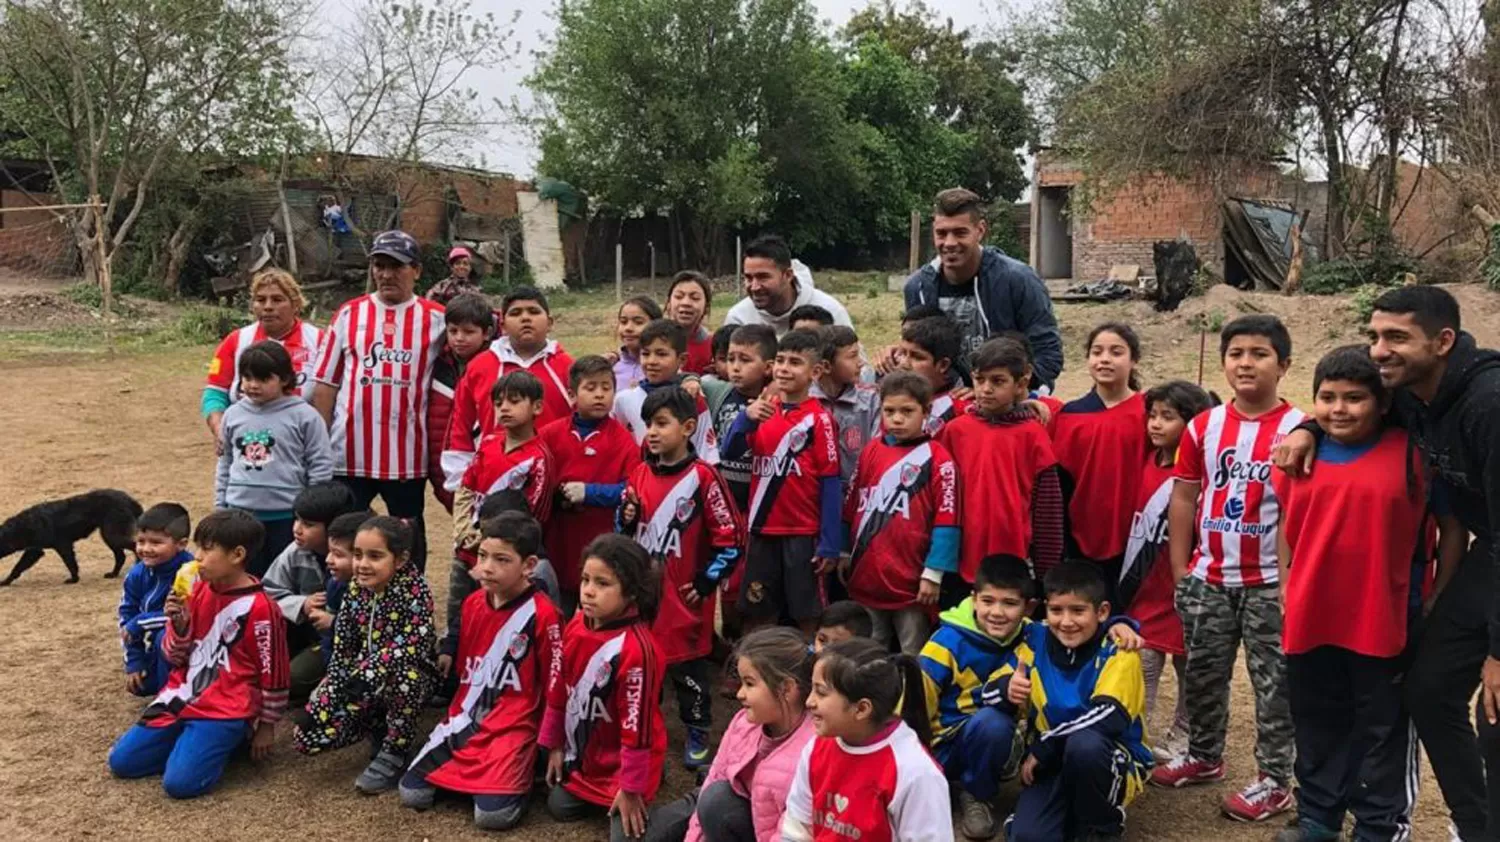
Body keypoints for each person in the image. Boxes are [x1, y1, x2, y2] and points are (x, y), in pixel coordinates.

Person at [1274, 286, 1500, 841]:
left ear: (1443, 341)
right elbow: (1341, 402)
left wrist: (1497, 651)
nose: (1379, 350)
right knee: (1427, 691)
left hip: (1481, 561)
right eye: (1375, 335)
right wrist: (1304, 429)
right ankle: (1478, 828)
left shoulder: (1488, 404)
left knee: (1487, 715)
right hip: (1482, 556)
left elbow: (1455, 529)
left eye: (1395, 337)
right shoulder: (1410, 392)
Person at [1272, 346, 1448, 842]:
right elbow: (1289, 523)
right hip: (1311, 615)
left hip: (1384, 616)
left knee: (1382, 730)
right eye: (1327, 398)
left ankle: (1379, 824)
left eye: (1354, 398)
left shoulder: (1415, 455)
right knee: (1317, 721)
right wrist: (1288, 585)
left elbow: (1451, 529)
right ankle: (1318, 818)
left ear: (1383, 403)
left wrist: (1439, 596)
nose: (1339, 409)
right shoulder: (1297, 454)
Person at [1151, 315, 1304, 823]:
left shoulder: (1300, 428)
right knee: (1202, 673)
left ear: (1283, 364)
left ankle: (1275, 779)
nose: (1245, 363)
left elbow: (1300, 509)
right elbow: (1185, 494)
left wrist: (1289, 581)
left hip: (1267, 585)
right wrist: (1180, 568)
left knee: (1274, 685)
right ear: (1223, 362)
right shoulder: (1203, 426)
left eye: (1259, 353)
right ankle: (1203, 755)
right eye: (1236, 353)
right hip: (1208, 578)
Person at [400, 511, 565, 831]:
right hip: (465, 718)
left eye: (502, 560)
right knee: (412, 794)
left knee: (492, 817)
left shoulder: (546, 615)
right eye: (483, 556)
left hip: (514, 725)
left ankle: (523, 775)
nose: (487, 567)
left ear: (529, 566)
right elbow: (465, 669)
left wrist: (551, 741)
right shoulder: (472, 603)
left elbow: (556, 685)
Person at [107, 509, 288, 799]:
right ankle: (194, 744)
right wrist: (178, 626)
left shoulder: (262, 608)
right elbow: (174, 656)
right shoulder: (197, 589)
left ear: (237, 554)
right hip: (182, 692)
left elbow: (274, 672)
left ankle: (231, 739)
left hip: (227, 705)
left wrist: (267, 726)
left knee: (179, 785)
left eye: (207, 549)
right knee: (122, 763)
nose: (197, 557)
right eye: (198, 547)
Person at [619, 387, 745, 769]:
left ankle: (697, 728)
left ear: (688, 427)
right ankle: (645, 725)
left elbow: (732, 539)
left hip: (685, 599)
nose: (651, 433)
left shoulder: (704, 477)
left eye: (661, 424)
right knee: (643, 663)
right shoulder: (639, 473)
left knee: (688, 669)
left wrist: (707, 582)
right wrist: (623, 519)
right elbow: (624, 534)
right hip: (644, 596)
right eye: (647, 425)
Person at [311, 229, 446, 574]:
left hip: (406, 457)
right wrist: (320, 445)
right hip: (348, 454)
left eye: (396, 266)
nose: (386, 274)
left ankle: (410, 599)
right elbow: (325, 383)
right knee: (344, 535)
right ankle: (346, 602)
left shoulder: (436, 319)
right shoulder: (349, 314)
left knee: (408, 534)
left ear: (416, 270)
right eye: (379, 265)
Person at [1001, 562, 1151, 842]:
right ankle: (1052, 811)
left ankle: (1101, 824)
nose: (1066, 621)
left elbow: (1109, 716)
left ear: (1102, 612)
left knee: (1085, 745)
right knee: (1028, 837)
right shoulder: (1034, 640)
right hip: (1051, 762)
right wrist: (1006, 687)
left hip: (1105, 755)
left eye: (1078, 610)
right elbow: (994, 685)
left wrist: (1047, 746)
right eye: (1056, 610)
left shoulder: (1119, 651)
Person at [293, 516, 438, 793]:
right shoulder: (354, 592)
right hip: (360, 685)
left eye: (375, 556)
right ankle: (373, 725)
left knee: (403, 679)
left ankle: (395, 751)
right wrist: (320, 705)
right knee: (307, 738)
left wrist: (369, 671)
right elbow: (343, 651)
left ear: (400, 559)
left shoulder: (415, 590)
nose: (362, 564)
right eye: (358, 555)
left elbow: (415, 644)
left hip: (408, 679)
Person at [540, 534, 668, 842]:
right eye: (585, 579)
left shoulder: (638, 650)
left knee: (625, 835)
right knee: (558, 805)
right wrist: (555, 745)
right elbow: (558, 687)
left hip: (622, 762)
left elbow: (635, 727)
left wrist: (632, 787)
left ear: (633, 593)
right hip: (585, 759)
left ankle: (659, 787)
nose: (588, 591)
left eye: (603, 583)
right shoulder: (575, 625)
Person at [641, 627, 818, 842]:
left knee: (717, 801)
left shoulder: (812, 752)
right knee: (630, 832)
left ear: (786, 689)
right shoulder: (743, 723)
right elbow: (714, 780)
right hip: (747, 821)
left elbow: (794, 833)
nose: (739, 693)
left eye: (750, 684)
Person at [1117, 380, 1214, 763]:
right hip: (1144, 584)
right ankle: (1133, 732)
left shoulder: (1199, 473)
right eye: (1152, 416)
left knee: (1189, 663)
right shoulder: (1147, 459)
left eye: (1168, 417)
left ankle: (1185, 733)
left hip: (1184, 585)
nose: (1155, 425)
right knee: (1143, 661)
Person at [724, 328, 843, 638]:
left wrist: (831, 541)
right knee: (757, 610)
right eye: (779, 360)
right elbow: (729, 453)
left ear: (815, 372)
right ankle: (750, 671)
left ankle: (811, 675)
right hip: (762, 529)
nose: (784, 369)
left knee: (807, 615)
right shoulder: (761, 410)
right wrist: (744, 420)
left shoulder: (820, 420)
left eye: (795, 362)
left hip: (802, 533)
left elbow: (831, 482)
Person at [780, 638, 953, 842]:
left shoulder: (915, 772)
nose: (809, 702)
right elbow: (797, 827)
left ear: (861, 709)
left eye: (821, 692)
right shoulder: (817, 747)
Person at [919, 554, 1036, 839]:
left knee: (992, 723)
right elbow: (917, 706)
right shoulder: (944, 642)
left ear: (1028, 606)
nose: (997, 612)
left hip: (989, 736)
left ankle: (976, 794)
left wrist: (1121, 626)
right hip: (939, 743)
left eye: (1009, 603)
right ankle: (934, 781)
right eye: (988, 601)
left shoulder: (1034, 639)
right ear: (974, 599)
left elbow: (1084, 631)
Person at [843, 372, 960, 654]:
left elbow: (948, 519)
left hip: (911, 580)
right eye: (889, 411)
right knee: (868, 648)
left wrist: (933, 574)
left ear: (926, 411)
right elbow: (852, 502)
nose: (896, 419)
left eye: (907, 411)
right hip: (867, 572)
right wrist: (844, 553)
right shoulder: (871, 450)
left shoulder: (938, 458)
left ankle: (912, 699)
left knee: (912, 650)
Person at [902, 187, 1063, 391]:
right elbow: (919, 353)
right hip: (946, 403)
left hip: (1006, 405)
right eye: (941, 233)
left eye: (960, 233)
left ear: (980, 230)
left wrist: (1013, 395)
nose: (949, 243)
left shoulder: (1018, 280)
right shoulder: (918, 287)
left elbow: (1047, 354)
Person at [936, 336, 1063, 593]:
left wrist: (1046, 571)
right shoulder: (954, 431)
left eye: (998, 381)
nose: (985, 389)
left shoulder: (1033, 435)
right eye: (979, 379)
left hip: (1014, 561)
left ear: (1021, 383)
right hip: (959, 559)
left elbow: (1047, 508)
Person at [216, 340, 335, 578]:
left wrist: (310, 511)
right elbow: (226, 462)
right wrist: (221, 505)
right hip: (241, 514)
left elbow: (320, 464)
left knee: (284, 575)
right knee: (244, 575)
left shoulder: (305, 416)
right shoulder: (233, 414)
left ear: (284, 378)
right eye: (247, 378)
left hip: (286, 516)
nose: (253, 385)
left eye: (262, 379)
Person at [444, 286, 575, 494]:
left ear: (549, 323)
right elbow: (461, 424)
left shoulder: (568, 368)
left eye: (533, 312)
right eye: (515, 313)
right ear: (503, 325)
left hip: (554, 483)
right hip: (493, 482)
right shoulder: (479, 367)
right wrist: (460, 481)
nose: (525, 318)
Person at [1050, 323, 1148, 595]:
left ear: (1134, 360)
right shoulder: (1070, 415)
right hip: (1083, 528)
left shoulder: (1150, 412)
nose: (1105, 359)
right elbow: (1061, 481)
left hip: (1138, 529)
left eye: (1116, 352)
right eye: (1097, 352)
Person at [540, 355, 642, 611]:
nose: (599, 395)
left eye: (606, 388)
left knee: (598, 613)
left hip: (601, 543)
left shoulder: (622, 440)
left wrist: (589, 492)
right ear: (572, 394)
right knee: (556, 610)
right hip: (557, 544)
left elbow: (632, 490)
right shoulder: (550, 434)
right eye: (591, 387)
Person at [452, 371, 555, 611]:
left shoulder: (538, 459)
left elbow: (532, 516)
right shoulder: (488, 442)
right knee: (459, 609)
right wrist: (463, 530)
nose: (504, 409)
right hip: (466, 547)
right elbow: (466, 488)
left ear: (537, 407)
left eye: (514, 401)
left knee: (494, 608)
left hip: (502, 555)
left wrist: (489, 542)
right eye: (498, 403)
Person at [202, 268, 322, 448]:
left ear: (296, 304)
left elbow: (332, 396)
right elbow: (214, 393)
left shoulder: (320, 342)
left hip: (299, 446)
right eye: (260, 300)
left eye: (277, 299)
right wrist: (220, 430)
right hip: (247, 445)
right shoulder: (235, 341)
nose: (267, 306)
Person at [261, 482, 360, 700]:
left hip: (355, 644)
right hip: (313, 636)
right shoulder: (296, 551)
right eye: (296, 519)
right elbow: (266, 593)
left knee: (294, 680)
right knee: (277, 676)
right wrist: (301, 604)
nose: (297, 528)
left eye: (308, 524)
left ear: (334, 526)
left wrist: (334, 621)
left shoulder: (363, 557)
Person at [612, 319, 720, 463]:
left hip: (685, 481)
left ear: (682, 360)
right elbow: (615, 443)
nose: (651, 361)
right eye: (645, 354)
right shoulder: (624, 400)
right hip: (640, 480)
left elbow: (707, 455)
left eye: (661, 354)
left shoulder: (692, 399)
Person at [427, 292, 496, 512]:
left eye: (469, 332)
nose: (459, 338)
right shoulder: (437, 364)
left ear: (487, 334)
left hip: (482, 465)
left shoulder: (496, 367)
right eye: (453, 331)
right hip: (441, 463)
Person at [118, 503, 193, 697]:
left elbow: (189, 618)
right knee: (142, 685)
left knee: (164, 637)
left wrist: (140, 623)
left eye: (156, 542)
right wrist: (134, 662)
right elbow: (127, 619)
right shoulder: (136, 575)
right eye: (141, 541)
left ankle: (169, 700)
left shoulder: (191, 573)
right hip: (159, 648)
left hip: (192, 645)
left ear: (181, 544)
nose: (145, 549)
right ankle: (164, 687)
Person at [724, 235, 852, 335]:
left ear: (788, 275)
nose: (754, 287)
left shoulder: (830, 312)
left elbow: (857, 366)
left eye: (763, 277)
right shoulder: (738, 319)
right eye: (748, 278)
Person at [714, 324, 776, 512]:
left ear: (768, 368)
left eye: (745, 360)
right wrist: (689, 380)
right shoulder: (717, 393)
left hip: (760, 497)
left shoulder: (774, 403)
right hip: (723, 495)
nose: (735, 367)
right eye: (730, 359)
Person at [812, 325, 881, 485]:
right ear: (827, 366)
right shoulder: (806, 399)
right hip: (814, 491)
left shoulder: (871, 399)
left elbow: (878, 449)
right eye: (852, 356)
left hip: (859, 489)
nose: (861, 363)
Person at [898, 314, 971, 436]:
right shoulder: (889, 399)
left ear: (943, 365)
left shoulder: (961, 410)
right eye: (903, 353)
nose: (904, 363)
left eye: (917, 357)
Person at [318, 510, 370, 663]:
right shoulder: (336, 585)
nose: (328, 560)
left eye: (338, 554)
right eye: (329, 552)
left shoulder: (386, 590)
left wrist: (334, 623)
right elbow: (329, 641)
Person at [667, 271, 715, 375]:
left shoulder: (714, 347)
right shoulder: (652, 341)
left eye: (695, 298)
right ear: (668, 304)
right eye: (679, 296)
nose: (686, 303)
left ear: (706, 307)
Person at [614, 295, 663, 391]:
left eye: (638, 322)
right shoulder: (611, 367)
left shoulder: (664, 368)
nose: (628, 328)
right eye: (623, 322)